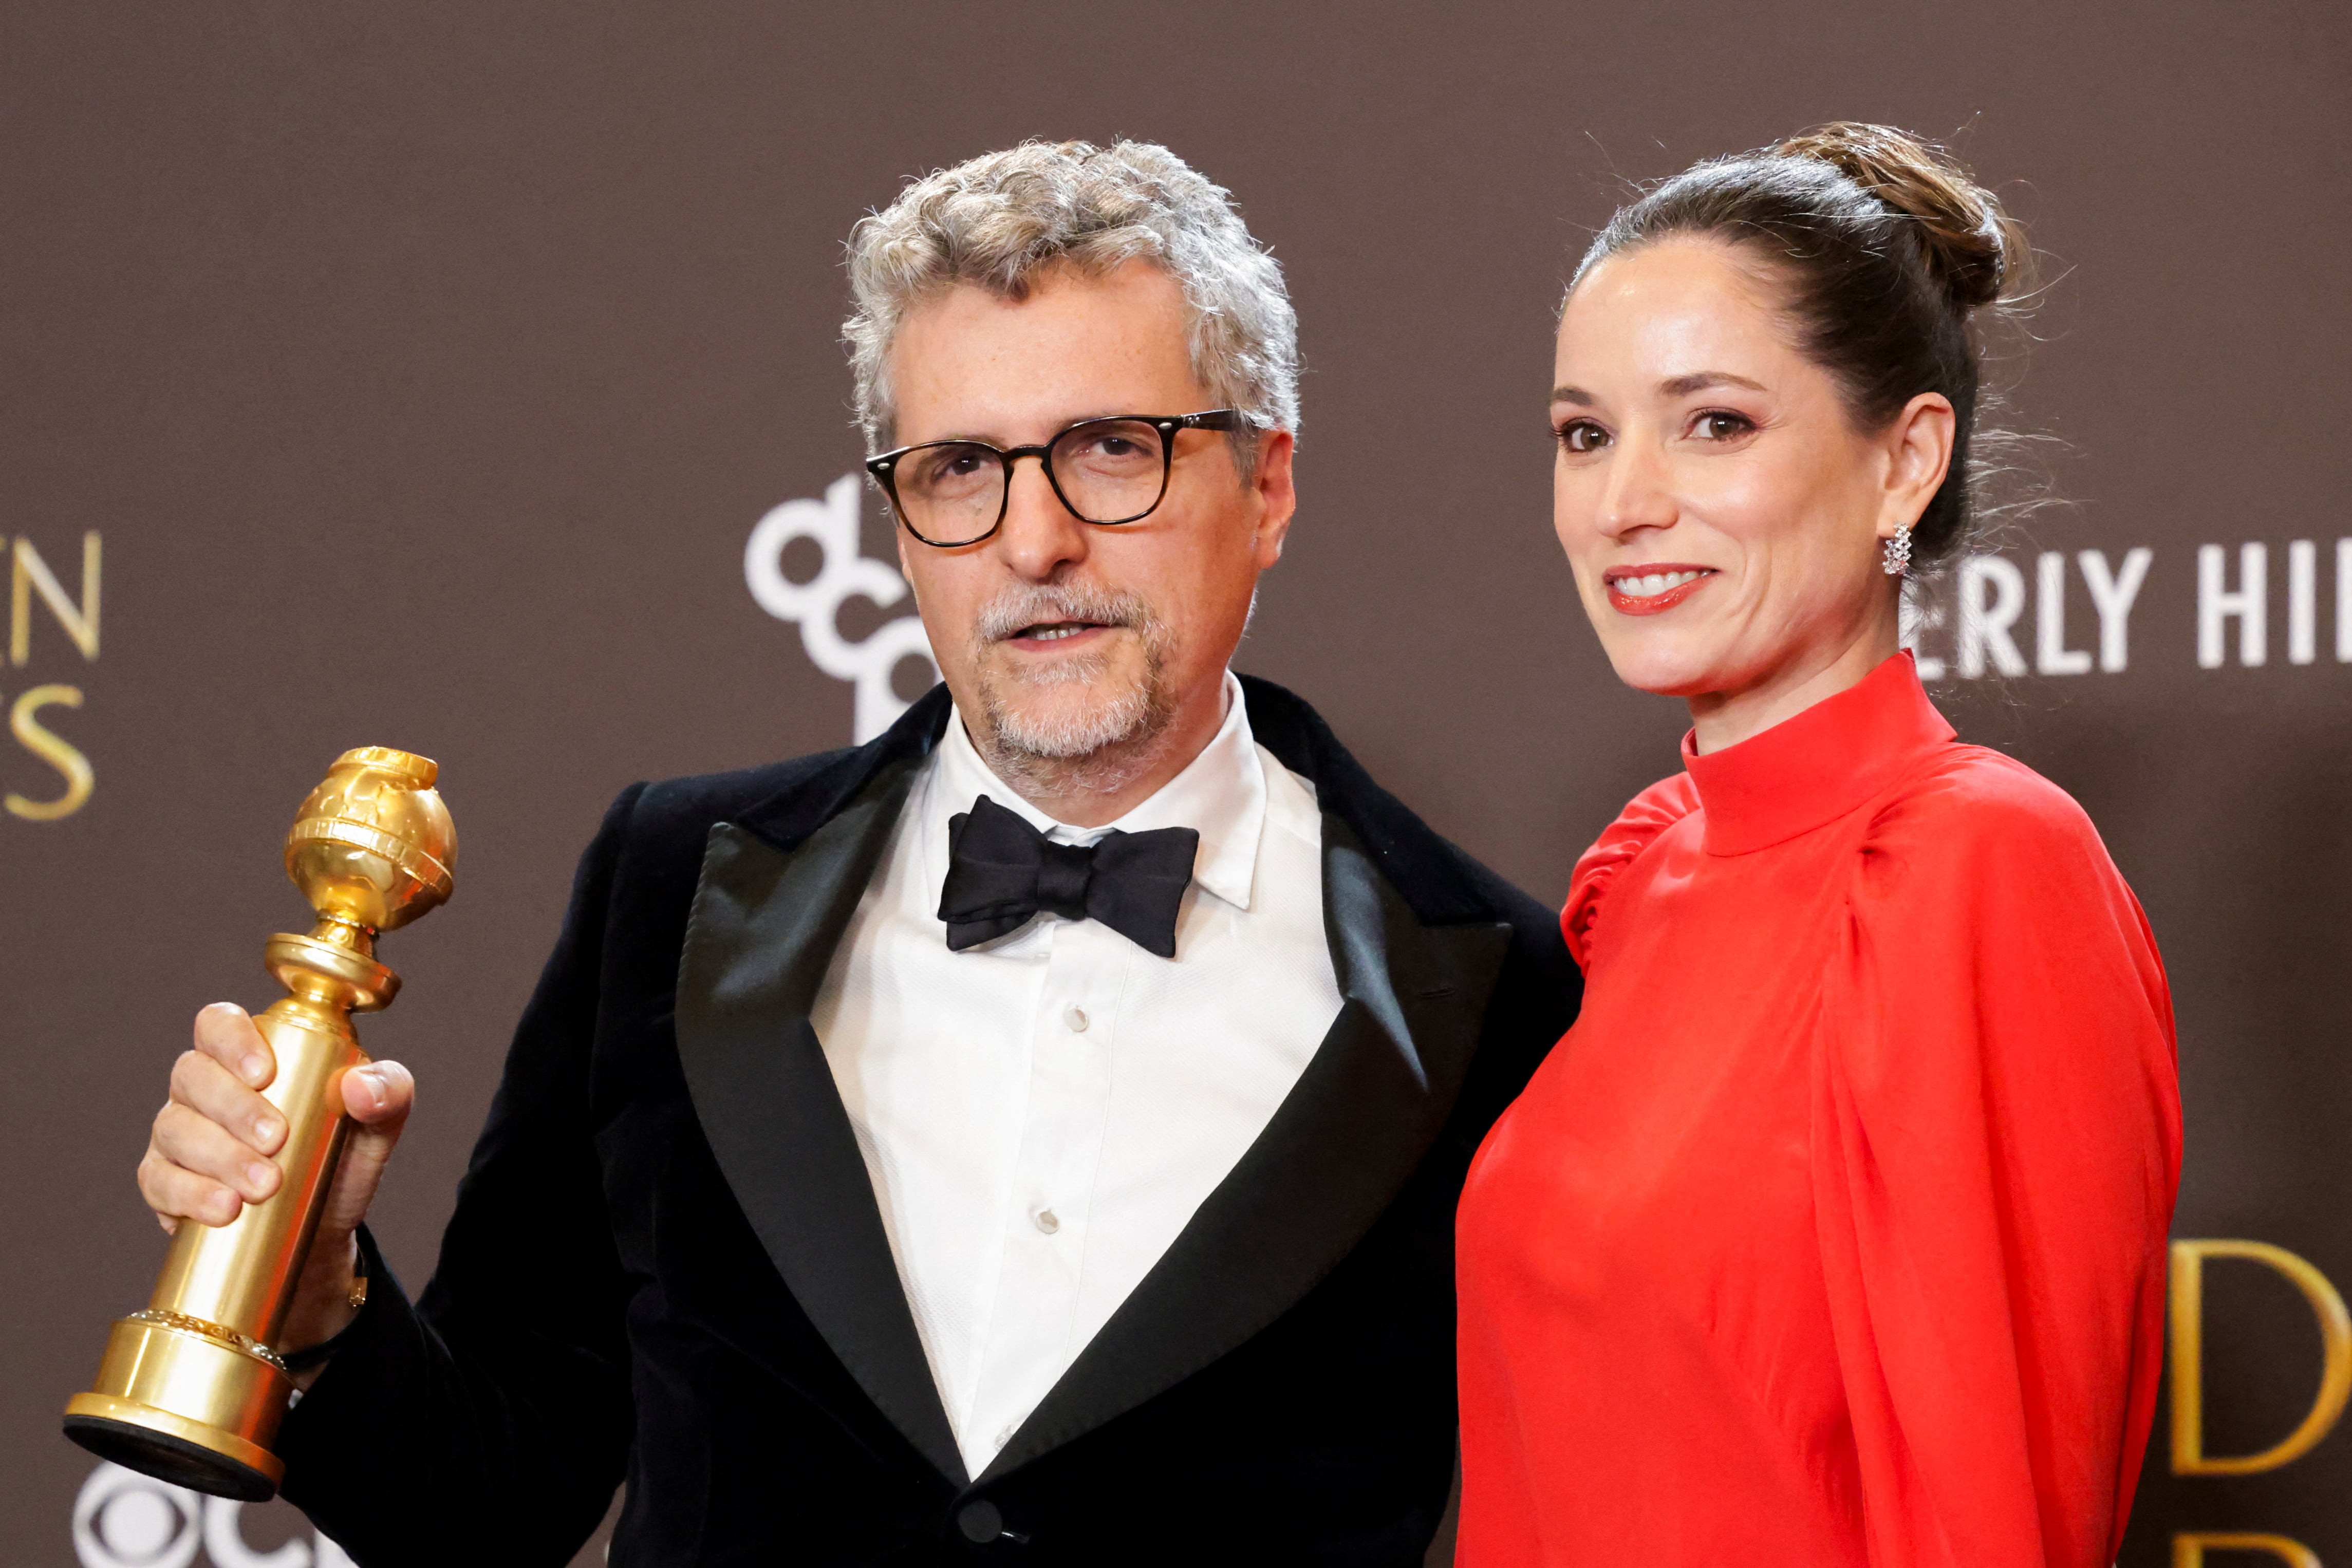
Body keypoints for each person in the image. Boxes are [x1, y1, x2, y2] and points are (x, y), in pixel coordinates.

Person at [134, 140, 1576, 1565]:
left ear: (1264, 488)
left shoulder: (1494, 989)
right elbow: (486, 1503)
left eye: (1109, 452)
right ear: (897, 518)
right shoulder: (670, 887)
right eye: (960, 468)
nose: (1034, 541)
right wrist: (314, 1285)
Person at [1453, 124, 2181, 1566]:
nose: (1620, 502)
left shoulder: (1976, 862)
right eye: (1583, 434)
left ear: (1904, 459)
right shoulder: (1640, 871)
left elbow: (1995, 1515)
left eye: (1712, 422)